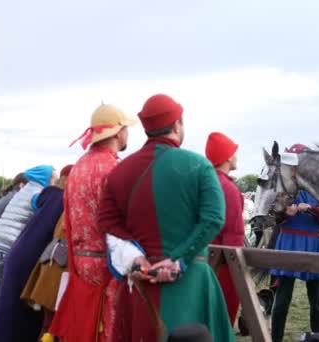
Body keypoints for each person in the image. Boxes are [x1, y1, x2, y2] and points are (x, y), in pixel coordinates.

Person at [98, 94, 234, 342]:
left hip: (141, 283)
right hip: (190, 281)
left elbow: (107, 222)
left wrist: (136, 258)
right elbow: (214, 218)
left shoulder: (119, 171)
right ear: (177, 125)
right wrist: (179, 260)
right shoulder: (199, 165)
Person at [49, 103, 136, 342]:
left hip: (79, 262)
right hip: (106, 265)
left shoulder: (78, 168)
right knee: (107, 329)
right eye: (126, 128)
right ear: (118, 133)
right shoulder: (115, 168)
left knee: (82, 327)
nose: (128, 133)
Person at [0, 165, 71, 342]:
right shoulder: (58, 198)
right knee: (19, 312)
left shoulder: (26, 193)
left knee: (2, 307)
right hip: (18, 253)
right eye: (52, 176)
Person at [270, 144, 319, 342]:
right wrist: (283, 213)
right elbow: (275, 216)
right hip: (288, 242)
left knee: (318, 303)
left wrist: (310, 209)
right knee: (281, 301)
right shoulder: (284, 187)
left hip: (313, 244)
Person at [0, 165, 55, 311]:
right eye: (54, 179)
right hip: (7, 250)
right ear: (46, 178)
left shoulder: (21, 192)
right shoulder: (37, 195)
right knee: (14, 302)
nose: (54, 183)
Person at [21, 165, 73, 338]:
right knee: (56, 327)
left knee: (48, 325)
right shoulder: (67, 200)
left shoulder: (49, 197)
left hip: (47, 265)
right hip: (60, 268)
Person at [205, 132, 245, 325]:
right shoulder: (228, 189)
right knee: (222, 322)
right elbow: (234, 237)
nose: (236, 156)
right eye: (234, 152)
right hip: (223, 268)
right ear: (228, 157)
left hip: (200, 263)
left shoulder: (201, 182)